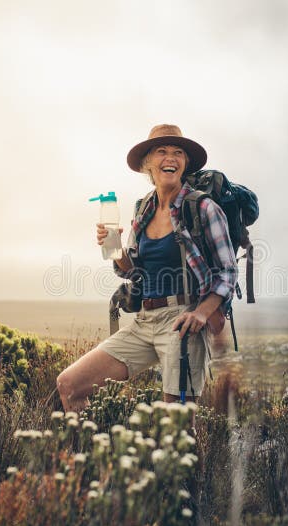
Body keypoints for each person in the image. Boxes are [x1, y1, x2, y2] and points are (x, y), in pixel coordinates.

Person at [57, 124, 237, 411]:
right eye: (162, 151)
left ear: (185, 162)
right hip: (144, 320)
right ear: (147, 164)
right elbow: (133, 272)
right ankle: (92, 456)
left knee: (176, 426)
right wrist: (114, 248)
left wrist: (202, 313)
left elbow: (227, 271)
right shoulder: (143, 209)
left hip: (183, 321)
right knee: (70, 385)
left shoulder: (203, 209)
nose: (171, 158)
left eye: (178, 152)